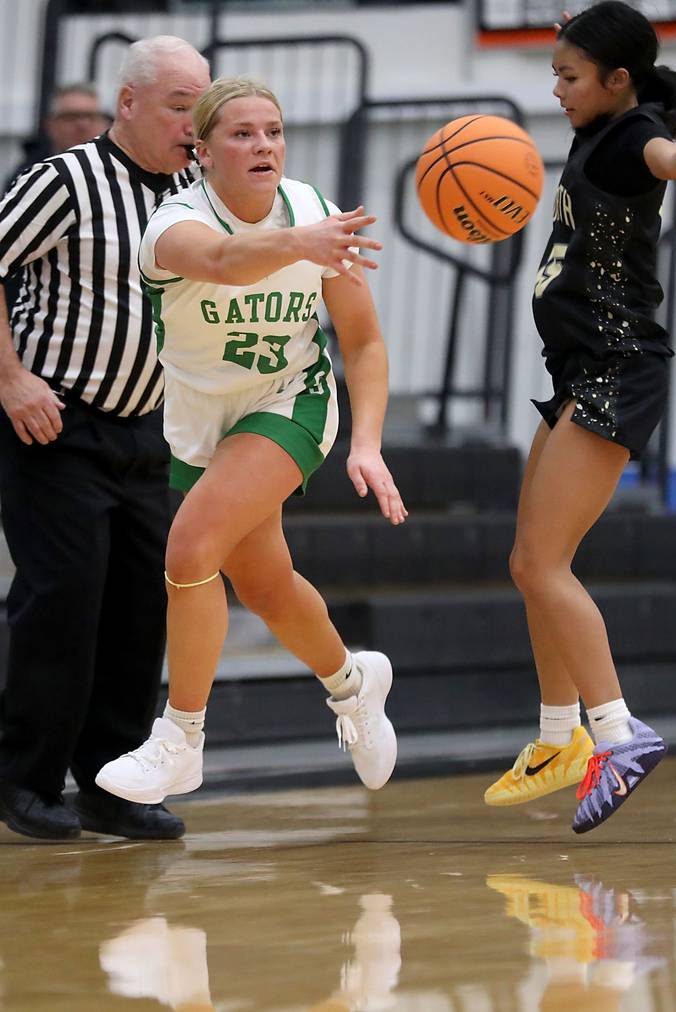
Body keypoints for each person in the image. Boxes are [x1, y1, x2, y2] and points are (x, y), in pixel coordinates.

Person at [484, 1, 676, 833]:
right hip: (581, 367)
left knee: (544, 565)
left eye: (569, 77)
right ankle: (557, 739)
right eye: (554, 73)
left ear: (618, 81)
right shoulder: (598, 126)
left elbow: (673, 162)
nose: (557, 90)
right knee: (529, 560)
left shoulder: (633, 133)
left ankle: (619, 732)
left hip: (618, 370)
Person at [94, 77, 406, 809]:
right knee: (264, 587)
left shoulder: (315, 212)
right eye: (241, 133)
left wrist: (367, 442)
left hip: (289, 400)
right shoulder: (172, 225)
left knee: (189, 551)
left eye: (272, 130)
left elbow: (361, 343)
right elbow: (228, 264)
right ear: (200, 150)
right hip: (200, 420)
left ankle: (181, 740)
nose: (263, 144)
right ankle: (354, 685)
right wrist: (302, 243)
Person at [0, 36, 213, 841]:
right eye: (178, 105)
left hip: (154, 429)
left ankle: (112, 785)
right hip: (59, 421)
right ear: (129, 104)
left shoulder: (198, 192)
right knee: (65, 600)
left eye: (202, 104)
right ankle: (25, 779)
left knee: (140, 610)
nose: (193, 122)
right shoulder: (64, 179)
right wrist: (11, 378)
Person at [2, 85, 111, 319]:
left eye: (90, 116)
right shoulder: (29, 177)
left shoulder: (116, 176)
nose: (82, 124)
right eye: (71, 116)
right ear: (51, 124)